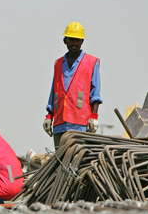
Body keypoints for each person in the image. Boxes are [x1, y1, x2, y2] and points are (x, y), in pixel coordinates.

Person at [43, 21, 103, 149]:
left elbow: (95, 93)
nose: (75, 43)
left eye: (78, 40)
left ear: (82, 42)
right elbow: (54, 91)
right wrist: (49, 116)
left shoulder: (91, 62)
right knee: (60, 163)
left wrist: (94, 116)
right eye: (71, 40)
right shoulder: (58, 63)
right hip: (60, 123)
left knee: (77, 161)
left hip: (80, 123)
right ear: (65, 41)